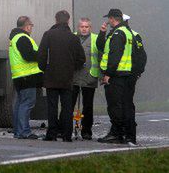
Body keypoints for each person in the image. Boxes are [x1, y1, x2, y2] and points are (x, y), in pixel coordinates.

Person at [96, 9, 145, 145]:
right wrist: (136, 73)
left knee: (115, 106)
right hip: (128, 75)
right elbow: (140, 57)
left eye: (109, 19)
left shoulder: (118, 33)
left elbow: (114, 56)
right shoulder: (129, 33)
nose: (109, 21)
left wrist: (108, 74)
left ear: (112, 19)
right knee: (127, 105)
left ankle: (117, 133)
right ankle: (129, 136)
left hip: (117, 76)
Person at [37, 10, 85, 142]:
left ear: (56, 20)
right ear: (68, 20)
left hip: (51, 76)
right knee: (67, 106)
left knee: (52, 106)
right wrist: (72, 67)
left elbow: (41, 55)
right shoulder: (73, 38)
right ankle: (66, 134)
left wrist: (44, 69)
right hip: (67, 78)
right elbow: (81, 58)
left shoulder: (48, 35)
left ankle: (51, 134)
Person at [8, 16, 43, 139]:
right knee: (27, 104)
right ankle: (24, 131)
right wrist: (41, 55)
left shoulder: (14, 38)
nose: (31, 28)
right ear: (27, 26)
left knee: (20, 104)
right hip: (27, 76)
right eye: (31, 25)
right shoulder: (23, 38)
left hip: (19, 76)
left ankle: (18, 131)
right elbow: (28, 55)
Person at [70, 18, 100, 140]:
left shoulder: (96, 38)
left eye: (86, 27)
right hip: (73, 76)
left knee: (88, 106)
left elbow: (101, 56)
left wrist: (102, 75)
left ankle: (86, 131)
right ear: (78, 27)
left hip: (89, 76)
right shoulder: (72, 38)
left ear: (90, 28)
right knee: (69, 104)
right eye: (82, 26)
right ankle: (65, 129)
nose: (84, 29)